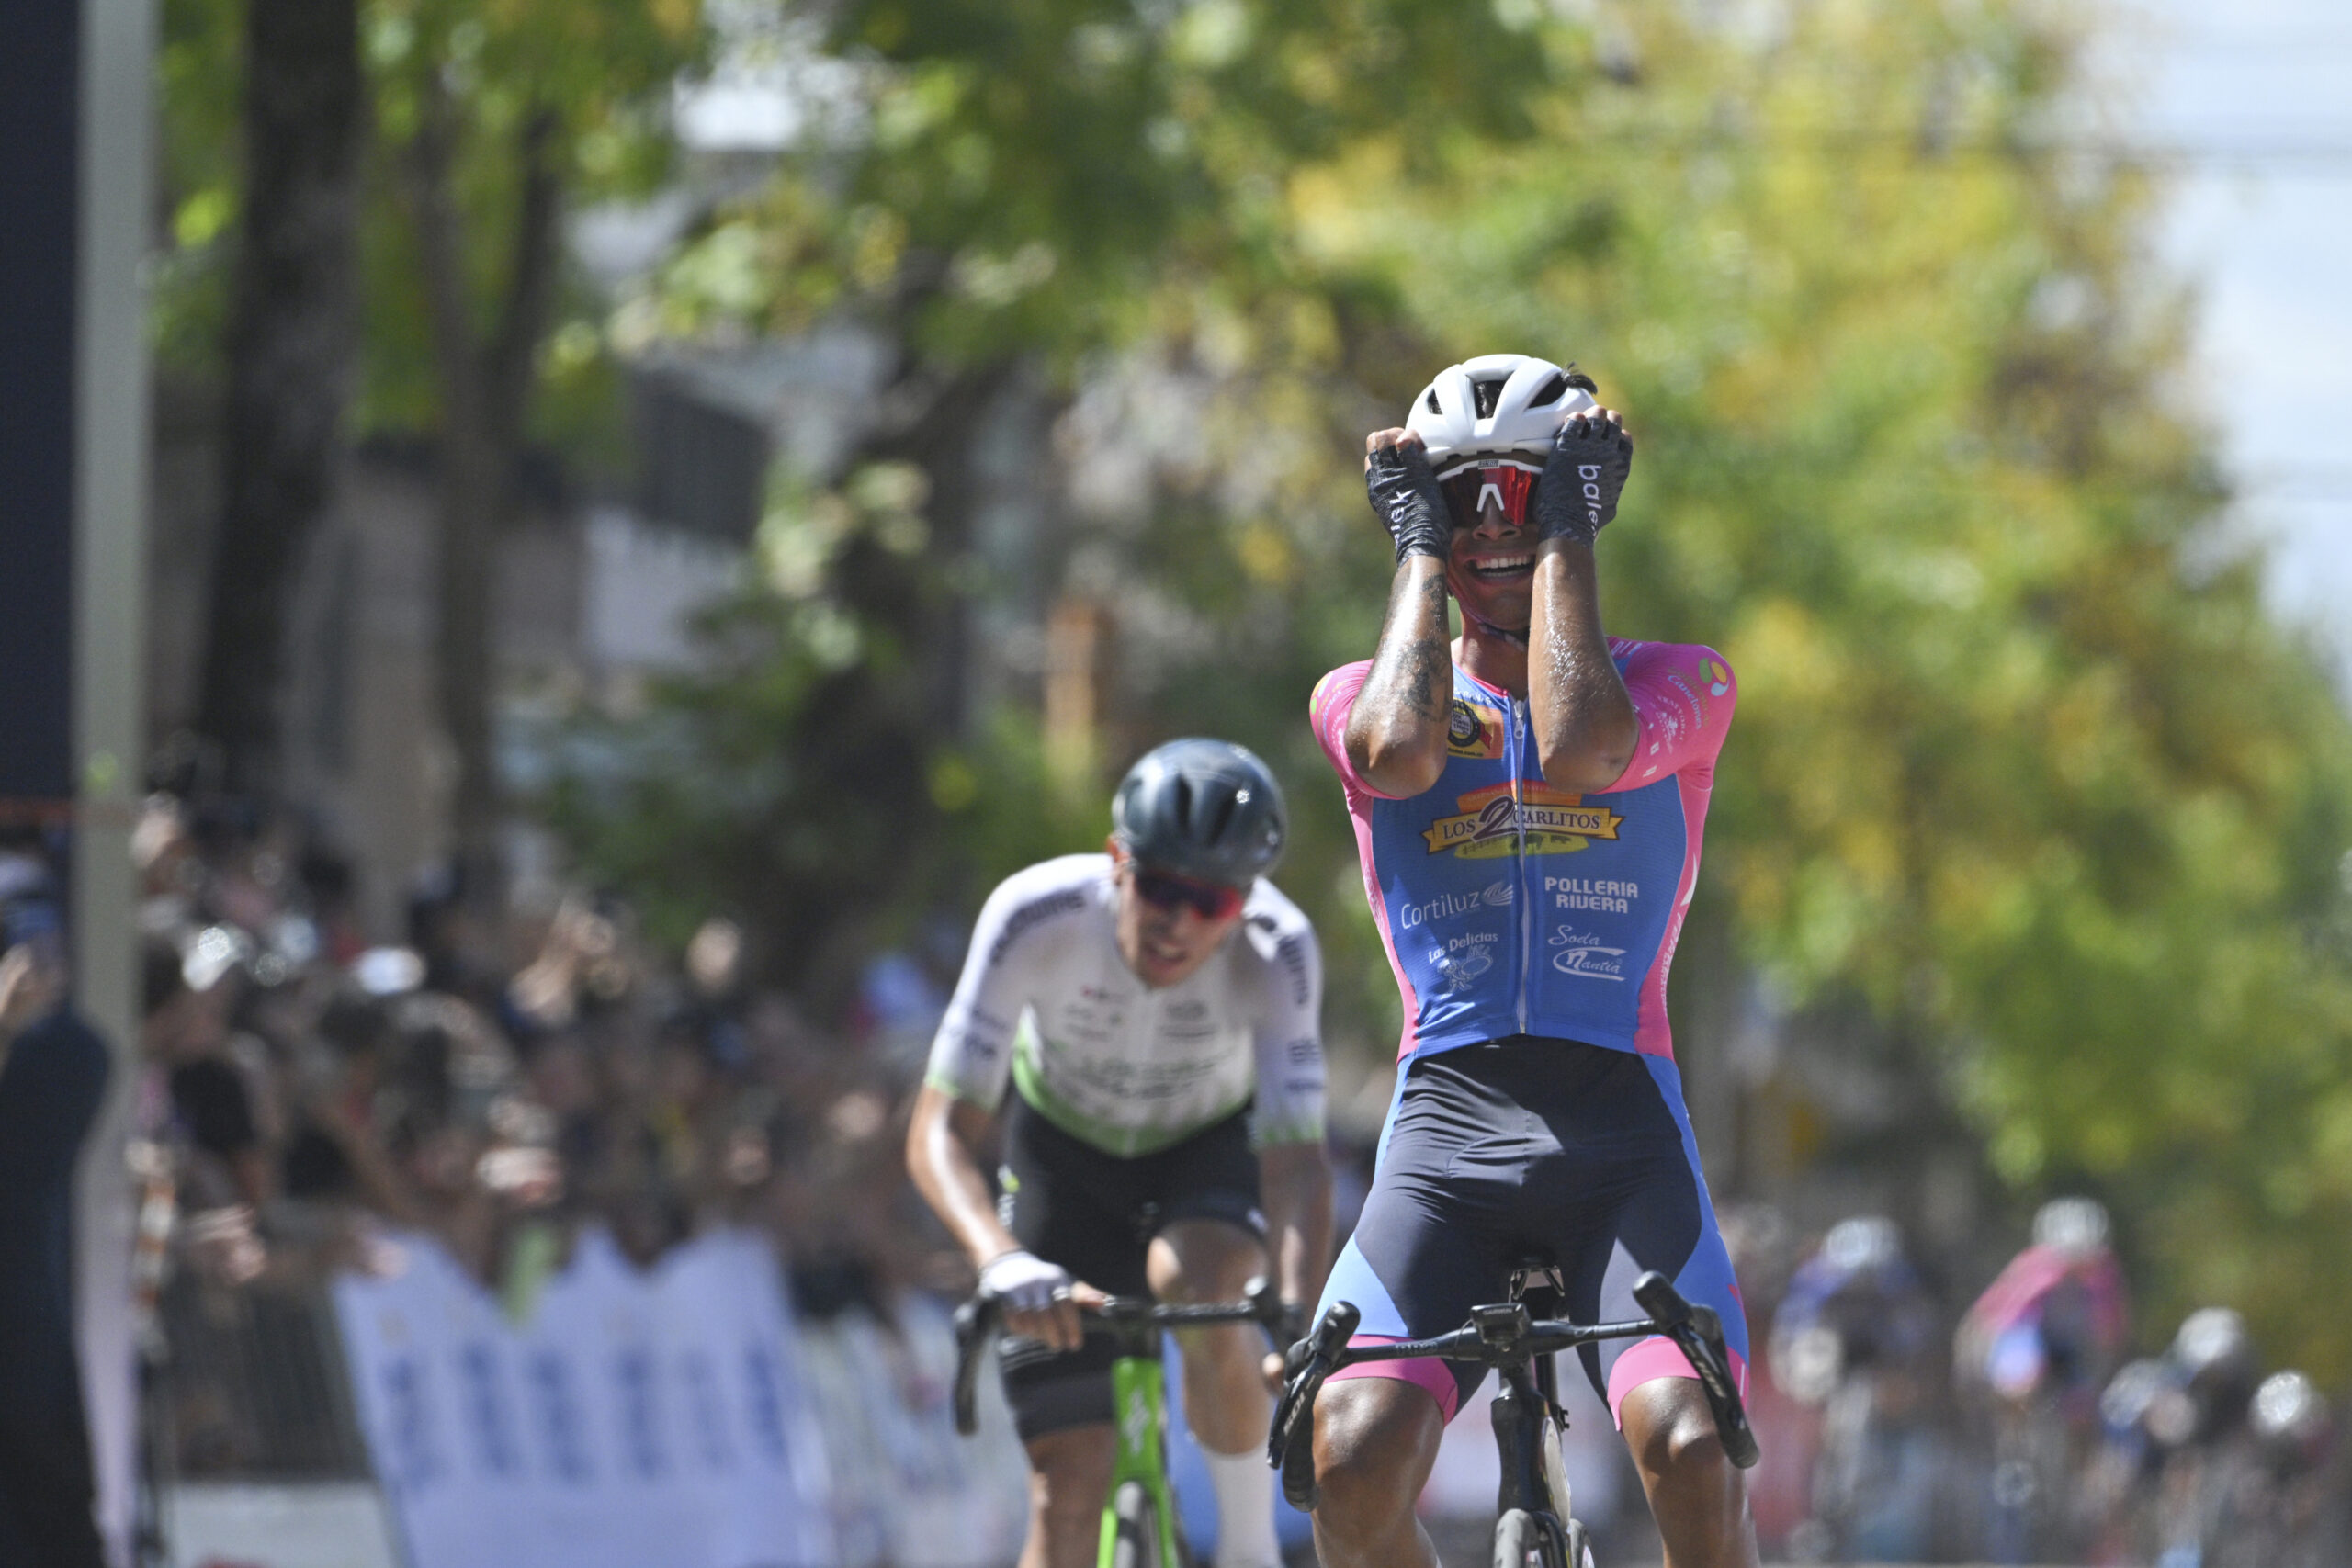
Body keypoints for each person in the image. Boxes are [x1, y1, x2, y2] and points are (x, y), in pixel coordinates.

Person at [1302, 353, 1758, 1566]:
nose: (1494, 527)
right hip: (1445, 1139)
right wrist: (1415, 556)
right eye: (1464, 502)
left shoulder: (1682, 683)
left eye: (1526, 494)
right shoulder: (1357, 694)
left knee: (1696, 1452)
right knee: (1344, 1459)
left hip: (1622, 1139)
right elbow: (1400, 750)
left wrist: (1570, 537)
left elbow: (1580, 744)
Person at [906, 739, 1335, 1568]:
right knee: (1067, 1492)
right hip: (1060, 1159)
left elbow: (1296, 1164)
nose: (1177, 919)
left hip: (1200, 1153)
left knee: (1206, 1283)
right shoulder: (1035, 915)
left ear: (1244, 903)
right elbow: (937, 1130)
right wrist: (996, 1259)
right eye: (1159, 886)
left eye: (1208, 901)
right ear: (1116, 861)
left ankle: (1250, 1550)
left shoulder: (1280, 949)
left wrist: (1290, 1310)